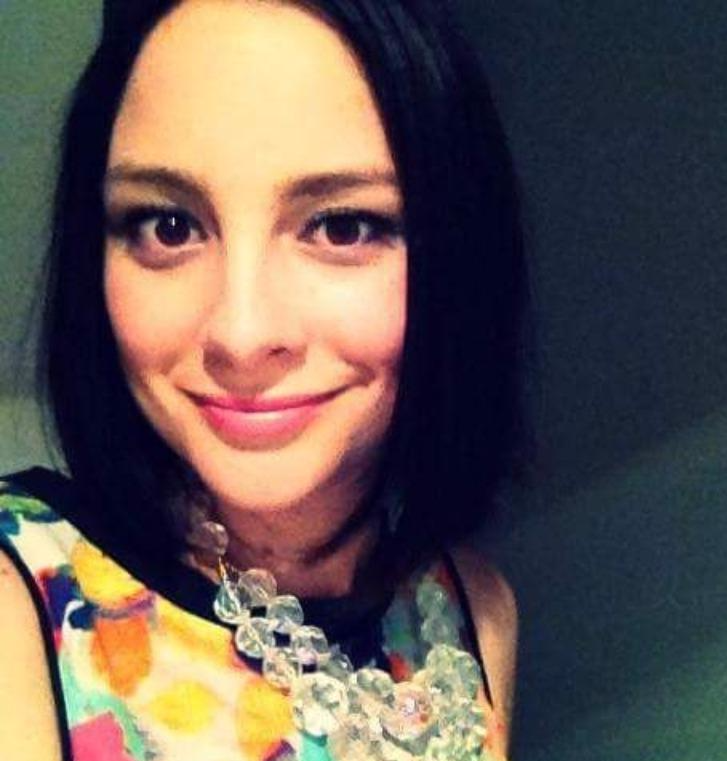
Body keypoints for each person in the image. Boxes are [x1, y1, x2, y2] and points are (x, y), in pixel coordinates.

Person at [0, 0, 527, 759]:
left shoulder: (470, 610)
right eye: (169, 226)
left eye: (341, 226)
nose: (241, 335)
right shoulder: (24, 602)